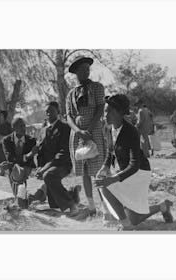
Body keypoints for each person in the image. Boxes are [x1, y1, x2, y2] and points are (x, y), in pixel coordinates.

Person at [95, 94, 173, 230]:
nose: (105, 115)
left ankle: (126, 225)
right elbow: (110, 152)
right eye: (105, 111)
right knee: (135, 219)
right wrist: (105, 166)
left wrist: (113, 179)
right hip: (125, 173)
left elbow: (134, 164)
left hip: (139, 173)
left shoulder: (131, 132)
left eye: (109, 111)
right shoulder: (108, 128)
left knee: (104, 185)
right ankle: (162, 206)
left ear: (120, 113)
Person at [66, 56, 106, 216]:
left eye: (87, 69)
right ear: (75, 72)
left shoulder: (97, 87)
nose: (86, 71)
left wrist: (88, 130)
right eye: (82, 69)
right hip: (77, 135)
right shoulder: (71, 93)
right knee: (84, 171)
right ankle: (91, 207)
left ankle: (106, 206)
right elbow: (68, 116)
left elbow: (101, 108)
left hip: (94, 131)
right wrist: (78, 131)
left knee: (98, 170)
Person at [27, 101, 80, 214]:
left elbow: (63, 153)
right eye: (46, 111)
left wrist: (45, 168)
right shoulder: (43, 130)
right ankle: (72, 194)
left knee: (49, 175)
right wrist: (39, 167)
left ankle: (72, 206)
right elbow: (41, 152)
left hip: (62, 164)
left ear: (58, 112)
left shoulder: (65, 127)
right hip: (47, 167)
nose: (48, 113)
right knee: (54, 204)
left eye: (51, 110)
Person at [1, 118, 36, 209]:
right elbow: (10, 158)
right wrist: (27, 156)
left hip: (26, 168)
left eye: (24, 125)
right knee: (18, 186)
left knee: (20, 174)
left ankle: (21, 201)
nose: (23, 128)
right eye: (20, 126)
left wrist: (27, 158)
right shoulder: (6, 140)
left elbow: (29, 161)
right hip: (13, 168)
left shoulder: (31, 140)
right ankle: (25, 200)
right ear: (14, 128)